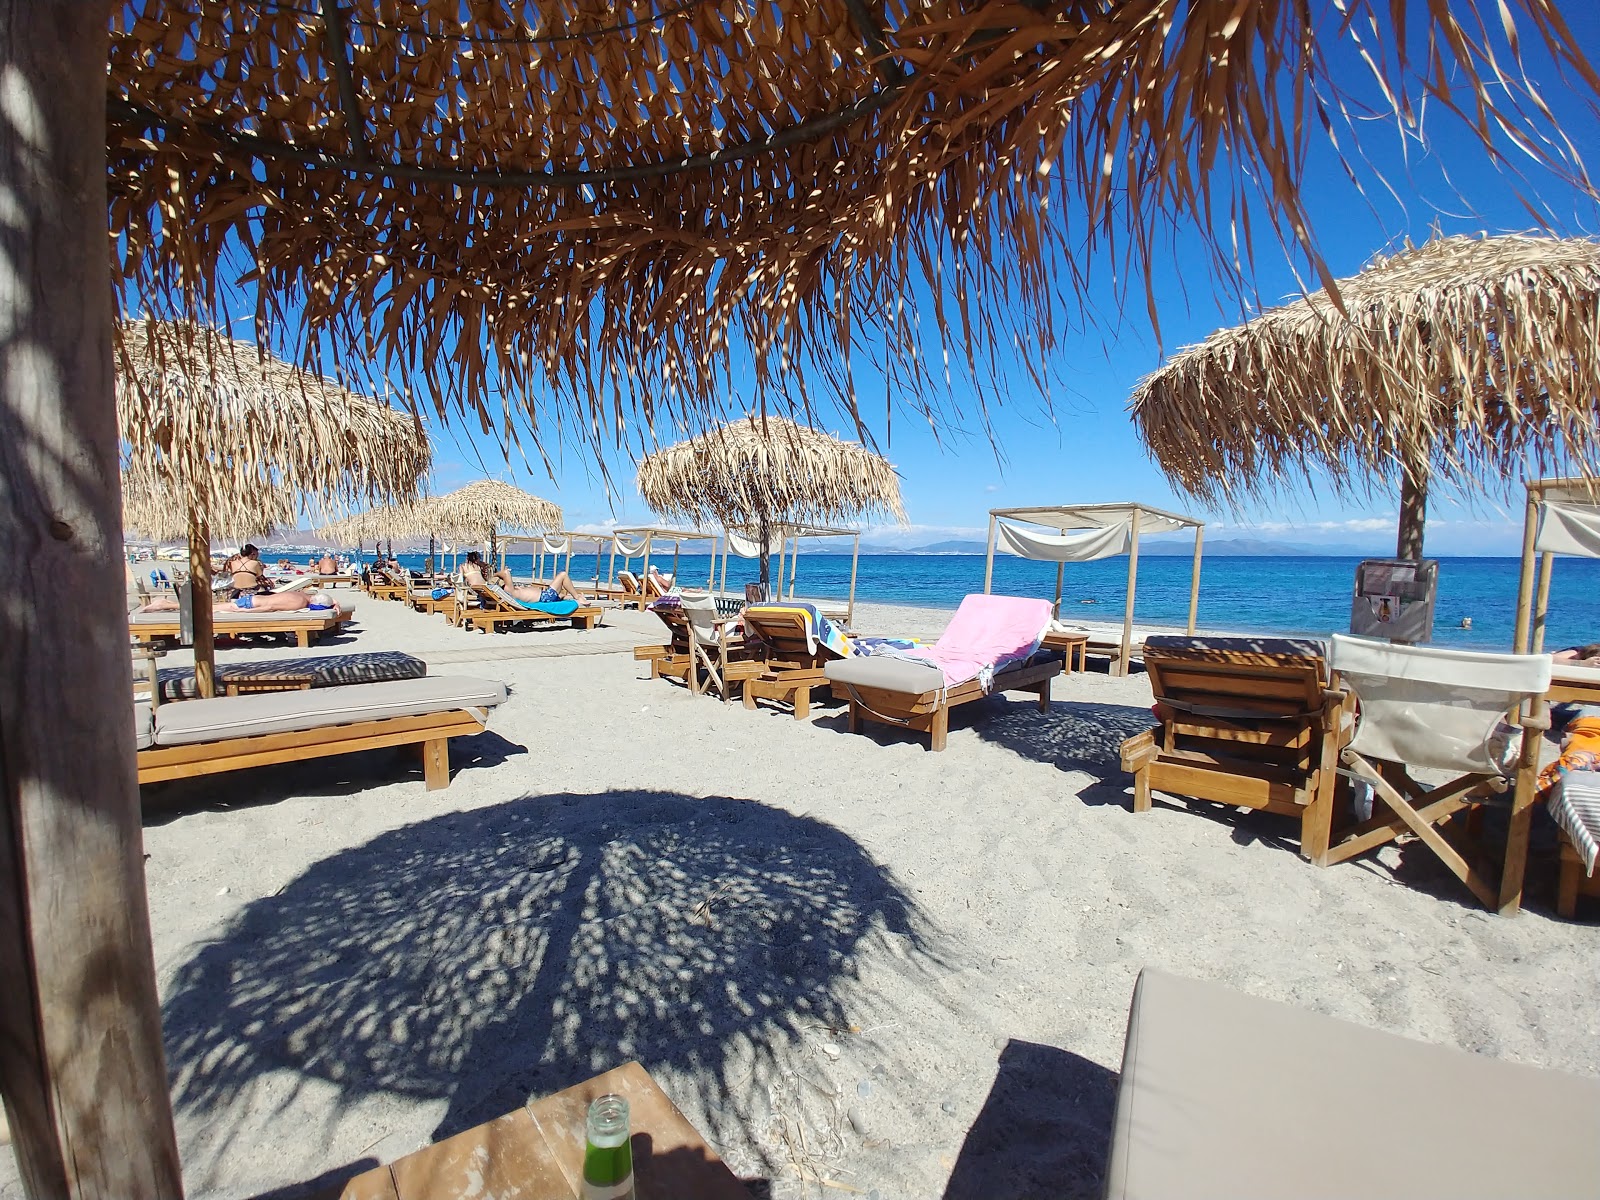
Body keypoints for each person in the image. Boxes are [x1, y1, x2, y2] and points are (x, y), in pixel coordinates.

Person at [463, 551, 579, 603]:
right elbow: (506, 573)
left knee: (561, 595)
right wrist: (495, 575)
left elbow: (505, 576)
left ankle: (564, 596)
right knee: (563, 575)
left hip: (545, 597)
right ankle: (577, 597)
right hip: (545, 597)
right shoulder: (509, 590)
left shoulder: (508, 591)